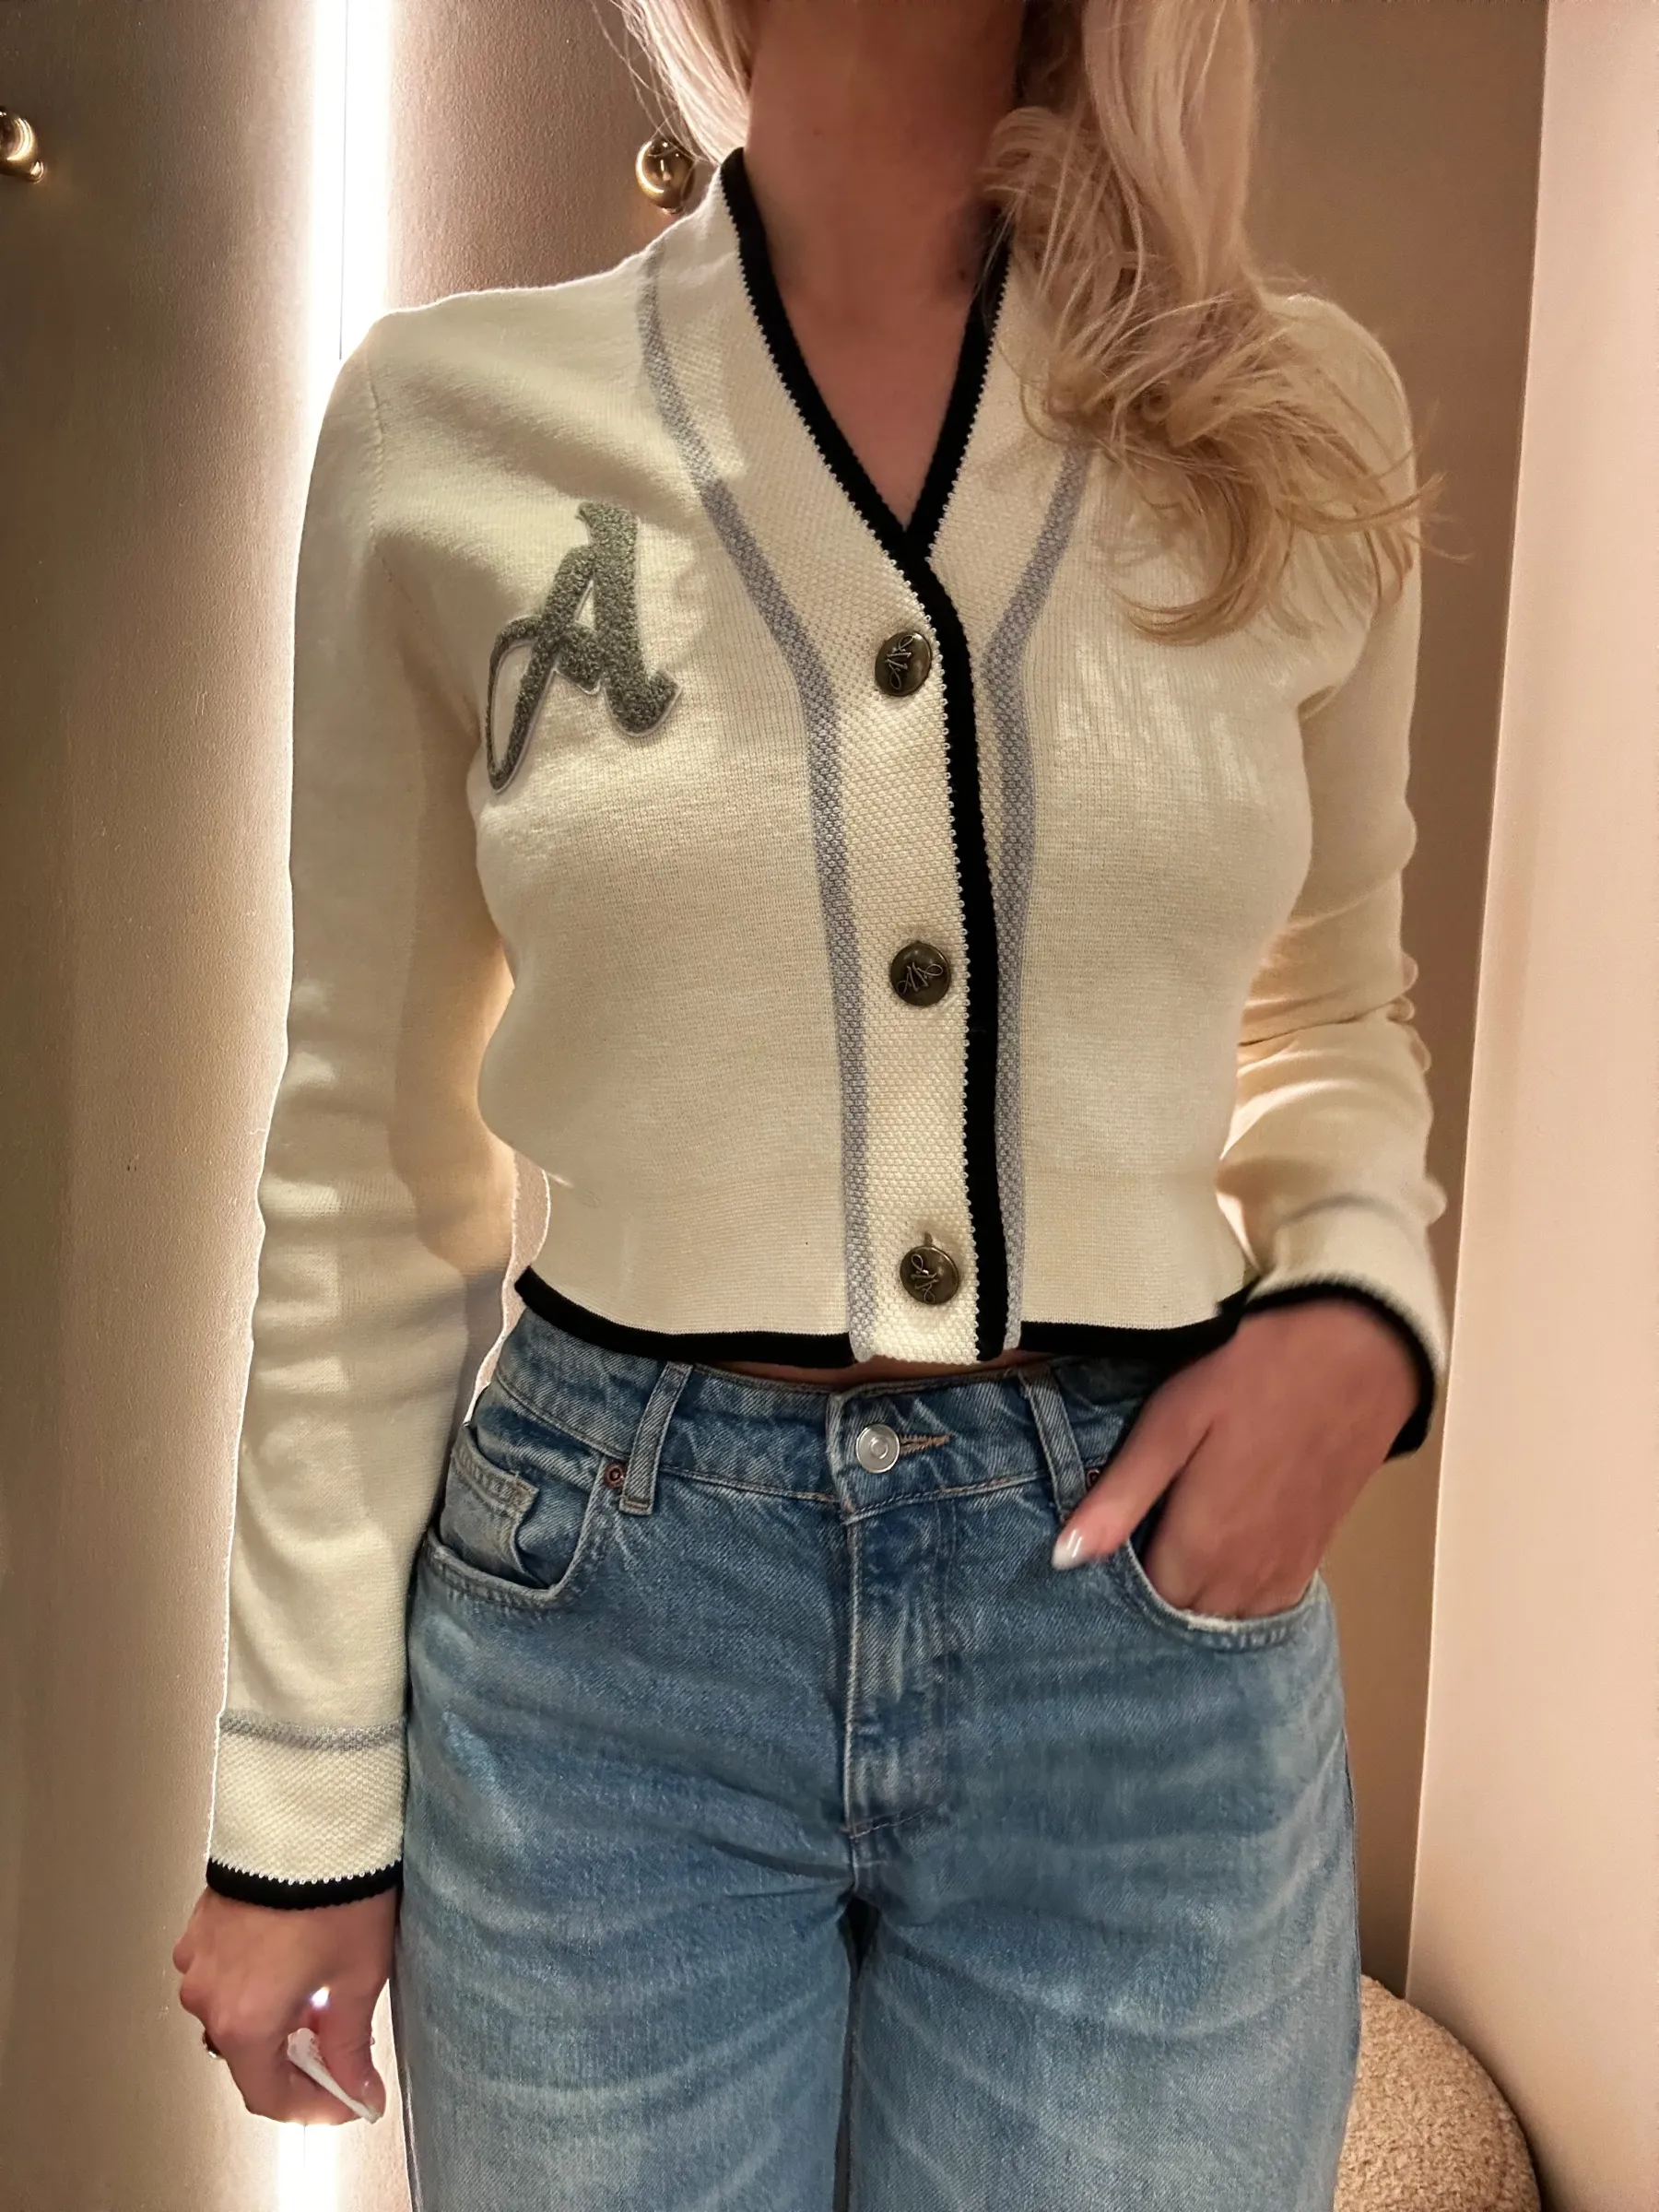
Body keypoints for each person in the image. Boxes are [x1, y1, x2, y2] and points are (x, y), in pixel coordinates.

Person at [173, 0, 1450, 2202]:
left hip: (1138, 1647)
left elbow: (1334, 1006)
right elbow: (370, 1156)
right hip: (601, 1653)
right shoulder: (446, 427)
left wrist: (1357, 1308)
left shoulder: (1285, 418)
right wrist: (299, 1800)